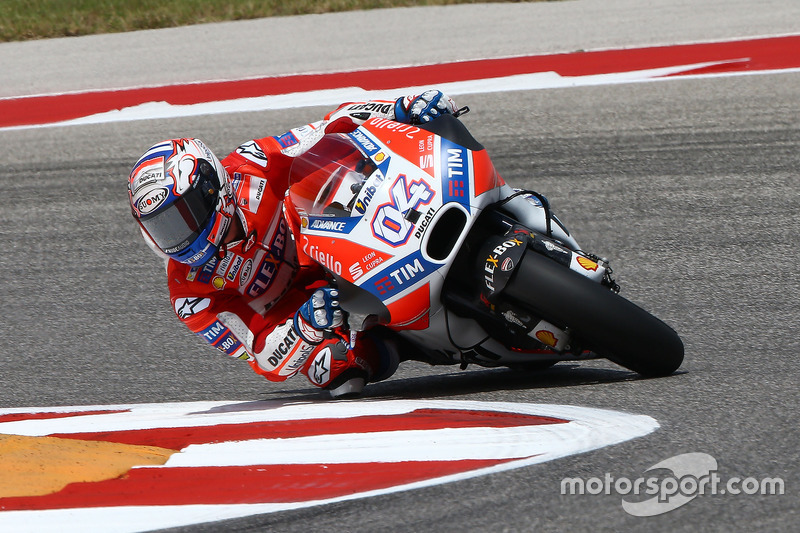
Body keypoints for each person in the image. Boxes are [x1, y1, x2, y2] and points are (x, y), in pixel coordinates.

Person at [128, 90, 459, 398]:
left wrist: (400, 108)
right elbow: (261, 358)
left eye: (183, 216)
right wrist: (304, 328)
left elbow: (330, 125)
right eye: (163, 227)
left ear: (211, 191)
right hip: (301, 307)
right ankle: (405, 342)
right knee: (332, 368)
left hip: (329, 238)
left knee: (339, 163)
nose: (178, 235)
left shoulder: (252, 163)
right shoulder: (189, 297)